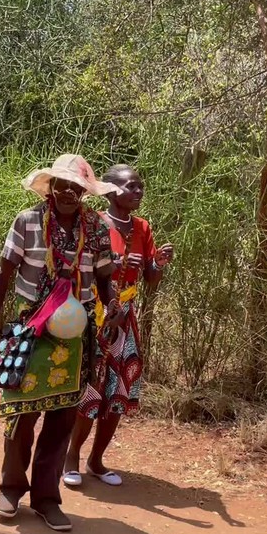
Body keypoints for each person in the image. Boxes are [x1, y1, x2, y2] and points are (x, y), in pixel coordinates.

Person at [0, 154, 125, 532]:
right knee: (21, 415)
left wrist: (112, 305)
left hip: (76, 338)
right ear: (50, 187)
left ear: (85, 192)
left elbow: (105, 280)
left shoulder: (96, 229)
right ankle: (11, 488)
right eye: (63, 186)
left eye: (77, 187)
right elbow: (2, 278)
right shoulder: (27, 222)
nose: (69, 193)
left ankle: (46, 498)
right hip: (30, 330)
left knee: (62, 419)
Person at [63, 165, 174, 488]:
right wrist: (113, 264)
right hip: (96, 313)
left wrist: (157, 263)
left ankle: (96, 461)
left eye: (140, 186)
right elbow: (79, 266)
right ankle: (71, 458)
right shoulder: (94, 222)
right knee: (91, 389)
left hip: (125, 318)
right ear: (111, 190)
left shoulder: (142, 227)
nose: (138, 192)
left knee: (118, 391)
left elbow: (150, 279)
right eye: (131, 186)